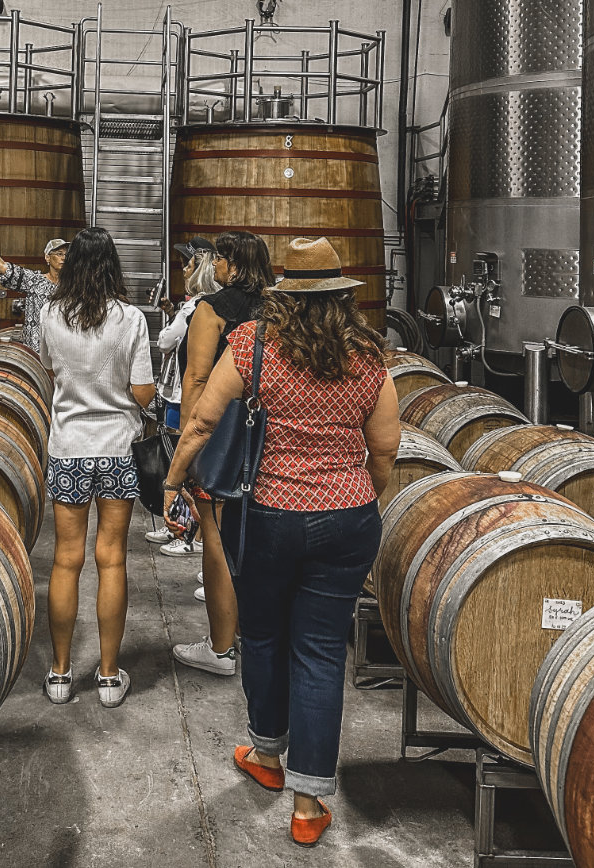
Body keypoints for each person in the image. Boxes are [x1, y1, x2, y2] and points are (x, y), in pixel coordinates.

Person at [161, 236, 401, 847]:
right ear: (342, 297)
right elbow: (385, 449)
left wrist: (172, 480)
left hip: (266, 514)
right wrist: (358, 494)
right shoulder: (371, 356)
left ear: (286, 294)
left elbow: (203, 422)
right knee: (321, 651)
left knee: (263, 634)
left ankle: (267, 756)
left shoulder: (254, 345)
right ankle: (309, 802)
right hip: (346, 516)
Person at [38, 226, 155, 709]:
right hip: (117, 448)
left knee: (67, 559)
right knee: (112, 558)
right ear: (111, 265)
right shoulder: (130, 319)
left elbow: (50, 371)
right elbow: (145, 392)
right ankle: (108, 677)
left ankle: (61, 673)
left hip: (68, 446)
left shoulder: (50, 315)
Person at [172, 230, 274, 676]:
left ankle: (219, 648)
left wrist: (190, 449)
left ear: (232, 265)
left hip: (224, 438)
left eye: (218, 260)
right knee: (262, 541)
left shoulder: (211, 310)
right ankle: (258, 639)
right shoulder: (278, 309)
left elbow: (196, 380)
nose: (212, 267)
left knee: (215, 539)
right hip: (272, 437)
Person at [148, 242, 221, 559]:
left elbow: (165, 342)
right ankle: (177, 523)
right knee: (178, 462)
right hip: (179, 395)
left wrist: (175, 317)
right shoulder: (197, 306)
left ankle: (185, 531)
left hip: (182, 398)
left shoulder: (195, 308)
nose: (183, 269)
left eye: (187, 264)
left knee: (183, 464)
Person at [0, 226, 67, 353]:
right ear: (47, 258)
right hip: (37, 349)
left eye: (66, 254)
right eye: (59, 254)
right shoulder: (34, 281)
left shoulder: (72, 285)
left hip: (63, 349)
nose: (64, 258)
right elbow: (2, 266)